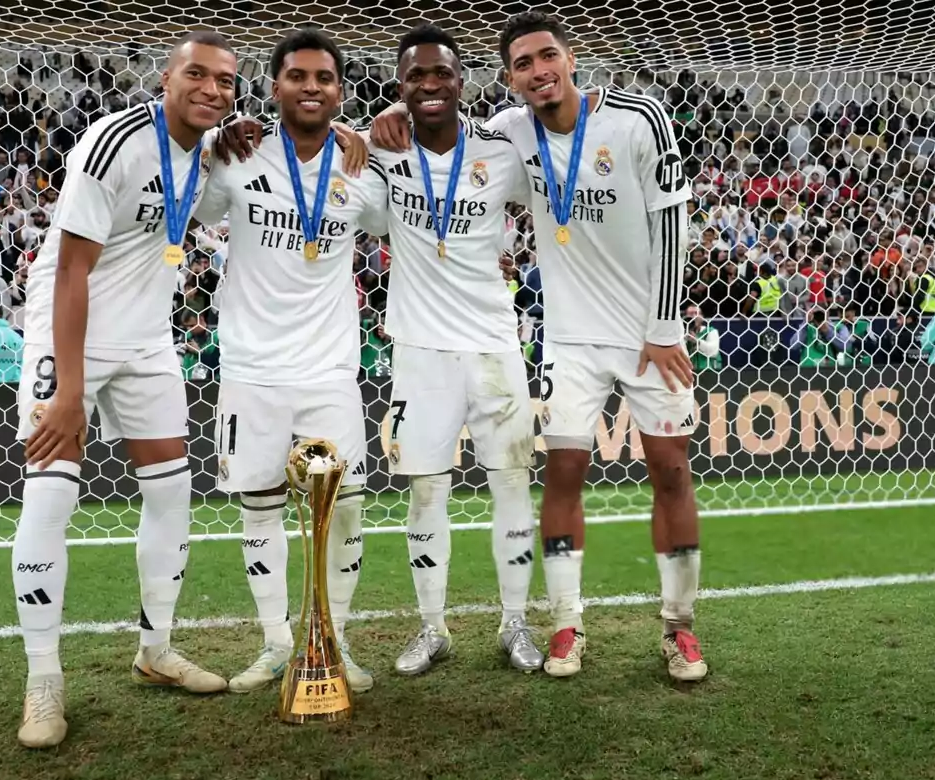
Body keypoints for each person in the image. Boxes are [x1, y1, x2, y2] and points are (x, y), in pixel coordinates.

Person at [370, 10, 707, 682]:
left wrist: (666, 327)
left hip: (649, 336)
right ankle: (565, 625)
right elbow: (441, 123)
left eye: (546, 56)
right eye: (523, 64)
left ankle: (680, 630)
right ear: (507, 79)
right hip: (569, 341)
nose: (538, 71)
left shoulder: (640, 117)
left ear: (571, 57)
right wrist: (391, 112)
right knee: (560, 476)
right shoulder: (507, 135)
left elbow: (673, 222)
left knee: (670, 471)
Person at [9, 31, 240, 750]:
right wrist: (70, 389)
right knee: (52, 492)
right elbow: (71, 270)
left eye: (226, 81)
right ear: (166, 78)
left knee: (172, 490)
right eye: (196, 75)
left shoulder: (208, 152)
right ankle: (43, 681)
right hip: (68, 331)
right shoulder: (113, 142)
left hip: (148, 338)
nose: (211, 89)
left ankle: (156, 650)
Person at [193, 28, 389, 695]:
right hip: (250, 370)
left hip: (331, 370)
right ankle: (277, 642)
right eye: (298, 76)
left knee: (351, 509)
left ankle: (331, 639)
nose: (311, 87)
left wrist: (383, 141)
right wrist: (212, 142)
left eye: (324, 78)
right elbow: (191, 205)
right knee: (259, 509)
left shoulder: (362, 171)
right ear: (274, 85)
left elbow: (410, 227)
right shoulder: (239, 158)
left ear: (340, 90)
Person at [367, 24, 542, 677]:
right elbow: (321, 141)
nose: (430, 85)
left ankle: (516, 622)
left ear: (462, 80)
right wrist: (379, 118)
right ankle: (432, 627)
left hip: (495, 343)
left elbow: (554, 147)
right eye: (416, 77)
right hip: (419, 349)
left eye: (441, 73)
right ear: (401, 86)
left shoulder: (501, 148)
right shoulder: (380, 147)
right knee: (425, 494)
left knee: (512, 487)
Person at [684, 304, 721, 371]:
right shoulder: (680, 334)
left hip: (708, 371)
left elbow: (713, 352)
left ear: (702, 317)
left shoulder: (710, 331)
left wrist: (697, 341)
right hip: (687, 372)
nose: (693, 316)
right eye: (690, 314)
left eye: (696, 313)